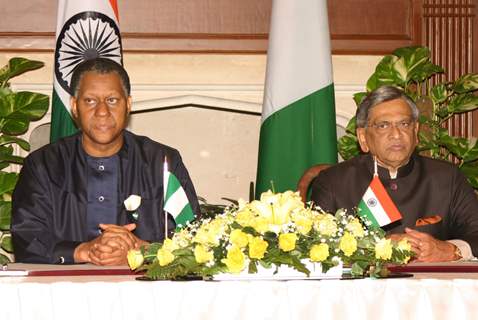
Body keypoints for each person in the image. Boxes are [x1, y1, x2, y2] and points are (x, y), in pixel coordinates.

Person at [11, 58, 201, 265]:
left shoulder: (162, 162)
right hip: (65, 291)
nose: (102, 112)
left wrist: (140, 249)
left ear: (128, 104)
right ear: (74, 106)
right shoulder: (43, 165)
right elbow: (27, 238)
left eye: (112, 100)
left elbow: (193, 237)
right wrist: (85, 250)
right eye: (90, 101)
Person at [311, 85, 478, 262]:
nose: (396, 134)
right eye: (383, 126)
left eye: (404, 124)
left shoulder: (447, 177)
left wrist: (450, 250)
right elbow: (313, 245)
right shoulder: (333, 182)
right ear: (363, 138)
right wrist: (376, 247)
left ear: (416, 132)